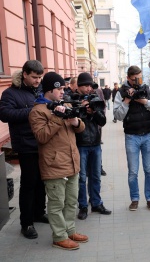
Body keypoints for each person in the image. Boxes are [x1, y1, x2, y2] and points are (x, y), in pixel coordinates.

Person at [29, 72, 88, 250]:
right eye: (59, 88)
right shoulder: (37, 110)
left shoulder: (65, 104)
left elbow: (80, 129)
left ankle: (70, 230)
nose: (63, 92)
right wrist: (56, 117)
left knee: (71, 201)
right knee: (56, 204)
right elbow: (41, 136)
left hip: (71, 162)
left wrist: (76, 121)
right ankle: (59, 236)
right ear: (49, 89)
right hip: (54, 165)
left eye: (63, 88)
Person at [0, 60, 47, 239]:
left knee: (42, 181)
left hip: (41, 142)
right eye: (34, 77)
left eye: (39, 77)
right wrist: (32, 111)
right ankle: (26, 223)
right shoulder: (10, 93)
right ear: (25, 74)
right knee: (29, 184)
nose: (37, 81)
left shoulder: (38, 90)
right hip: (25, 145)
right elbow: (4, 115)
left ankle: (39, 212)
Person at [114, 66, 150, 211]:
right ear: (128, 78)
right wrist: (127, 101)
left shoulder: (146, 89)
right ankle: (134, 199)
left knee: (149, 170)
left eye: (140, 78)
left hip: (148, 135)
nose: (138, 81)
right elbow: (117, 116)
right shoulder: (121, 92)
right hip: (131, 136)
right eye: (135, 79)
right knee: (133, 171)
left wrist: (145, 102)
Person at [75, 72, 112, 220]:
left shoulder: (95, 98)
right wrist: (81, 109)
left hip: (95, 143)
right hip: (80, 144)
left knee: (95, 176)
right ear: (79, 86)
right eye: (86, 85)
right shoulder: (72, 98)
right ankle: (83, 206)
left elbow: (102, 121)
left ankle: (96, 203)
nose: (89, 88)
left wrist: (94, 112)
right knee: (82, 177)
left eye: (91, 85)